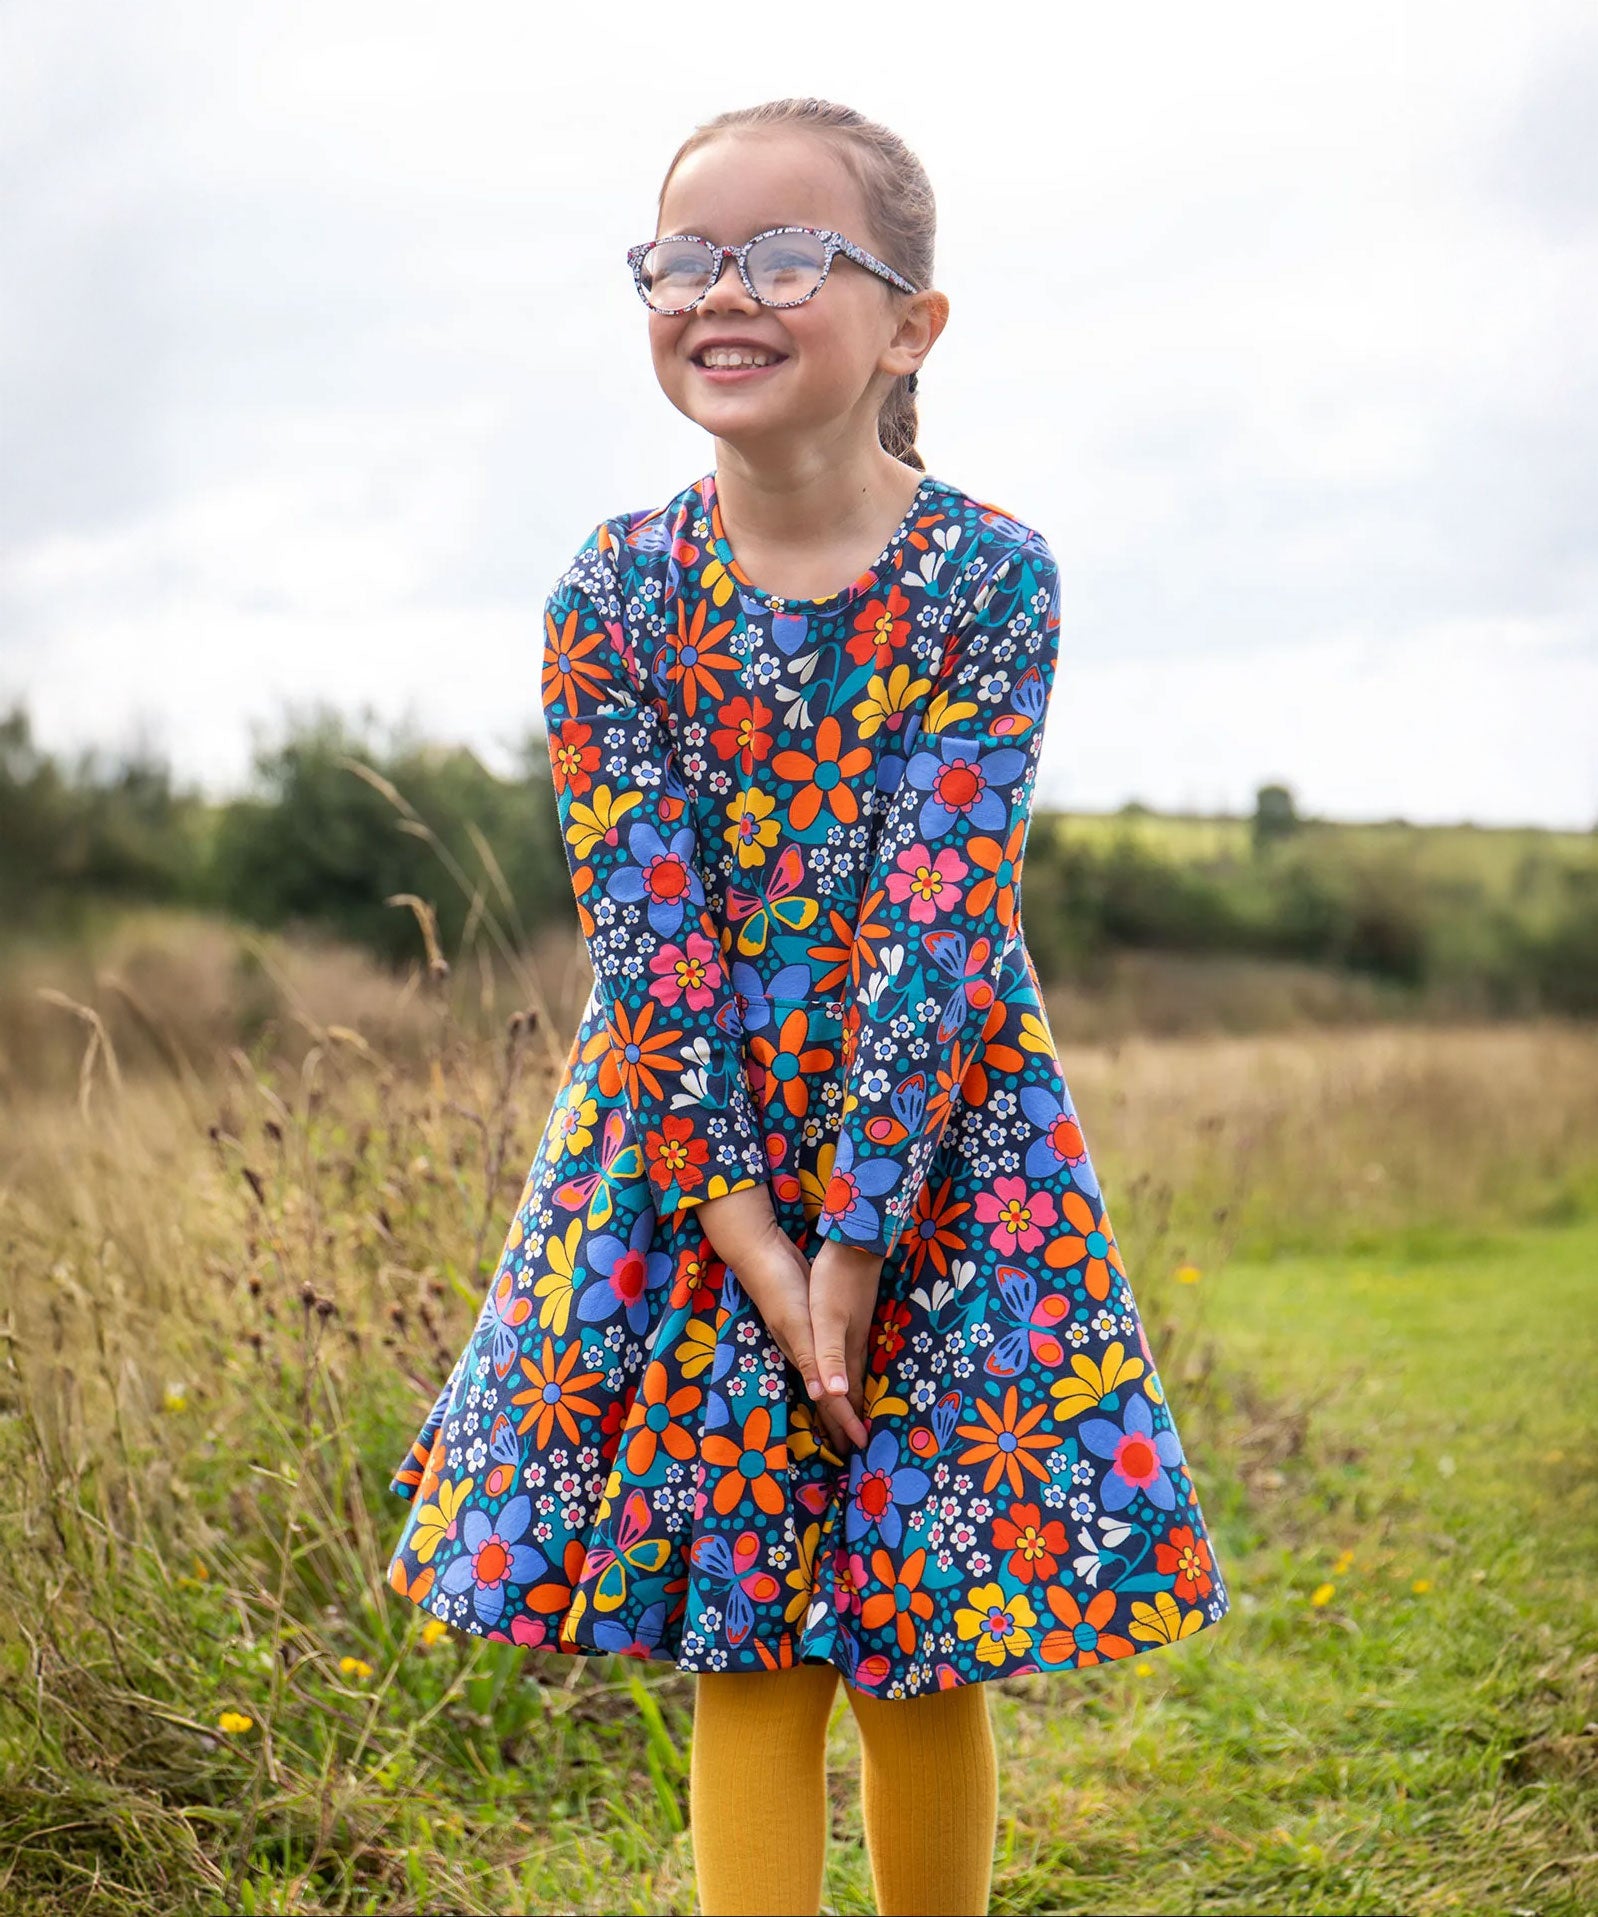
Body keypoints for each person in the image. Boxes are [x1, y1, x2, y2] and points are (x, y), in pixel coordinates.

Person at [385, 96, 1232, 1917]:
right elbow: (648, 935)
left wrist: (854, 1233)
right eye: (682, 260)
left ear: (910, 324)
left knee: (926, 1621)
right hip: (687, 1153)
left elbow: (939, 913)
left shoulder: (987, 577)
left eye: (782, 255)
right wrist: (750, 1227)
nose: (722, 293)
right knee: (745, 1631)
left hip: (945, 1157)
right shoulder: (613, 592)